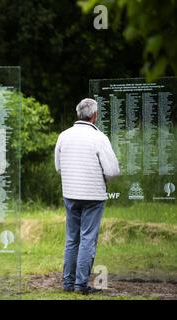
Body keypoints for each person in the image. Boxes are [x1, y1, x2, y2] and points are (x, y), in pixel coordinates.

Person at [54, 98, 120, 294]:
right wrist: (103, 179)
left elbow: (59, 167)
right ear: (94, 115)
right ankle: (81, 285)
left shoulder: (63, 136)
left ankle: (67, 283)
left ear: (79, 114)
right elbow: (113, 171)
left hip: (70, 194)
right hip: (93, 196)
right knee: (87, 239)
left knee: (72, 238)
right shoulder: (99, 137)